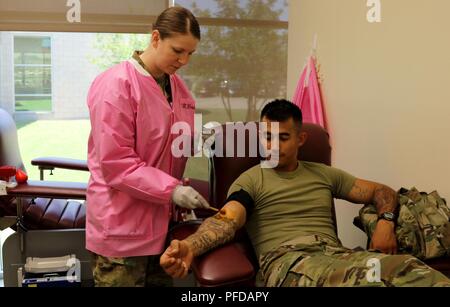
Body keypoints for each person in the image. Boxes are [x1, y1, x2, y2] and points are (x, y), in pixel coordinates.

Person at [160, 99, 450, 287]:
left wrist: (386, 221)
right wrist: (191, 247)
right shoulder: (250, 180)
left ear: (301, 139)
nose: (272, 145)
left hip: (337, 257)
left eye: (283, 137)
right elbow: (227, 220)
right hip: (289, 263)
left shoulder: (323, 174)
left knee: (414, 271)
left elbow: (380, 191)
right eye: (267, 136)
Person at [86, 6, 211, 287]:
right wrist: (173, 190)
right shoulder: (117, 85)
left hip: (162, 229)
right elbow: (117, 164)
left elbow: (166, 144)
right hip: (121, 226)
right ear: (155, 38)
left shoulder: (178, 88)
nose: (184, 60)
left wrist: (196, 139)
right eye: (178, 50)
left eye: (191, 53)